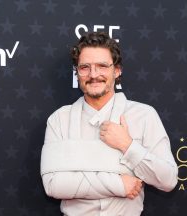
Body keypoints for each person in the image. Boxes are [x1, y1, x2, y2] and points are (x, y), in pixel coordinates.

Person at [40, 32, 178, 216]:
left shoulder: (144, 115)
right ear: (77, 72)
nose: (94, 74)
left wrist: (127, 145)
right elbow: (53, 185)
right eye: (85, 67)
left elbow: (168, 180)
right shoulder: (58, 119)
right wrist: (118, 185)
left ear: (117, 70)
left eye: (102, 66)